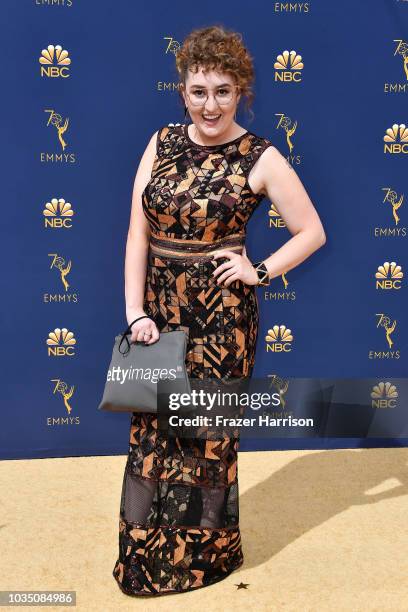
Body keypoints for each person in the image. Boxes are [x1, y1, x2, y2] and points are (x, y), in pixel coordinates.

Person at [112, 24, 326, 597]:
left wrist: (259, 271)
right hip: (156, 312)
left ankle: (205, 555)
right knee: (152, 432)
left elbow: (311, 231)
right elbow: (138, 234)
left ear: (242, 93)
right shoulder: (160, 142)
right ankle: (144, 552)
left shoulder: (260, 156)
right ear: (182, 90)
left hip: (221, 321)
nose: (211, 105)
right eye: (199, 90)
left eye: (223, 91)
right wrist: (135, 312)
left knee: (207, 437)